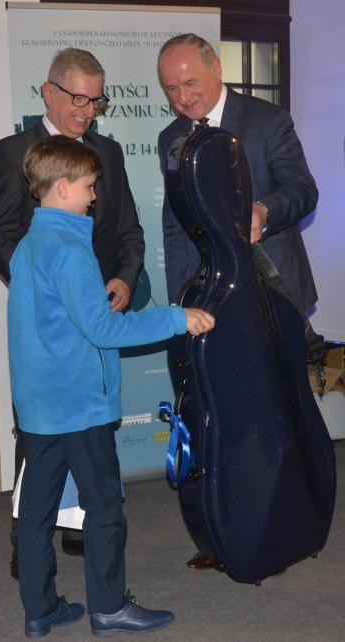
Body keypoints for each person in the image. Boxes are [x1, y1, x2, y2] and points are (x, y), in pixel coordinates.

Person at [9, 134, 215, 637]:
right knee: (103, 507)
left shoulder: (28, 245)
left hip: (39, 406)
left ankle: (39, 610)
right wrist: (176, 318)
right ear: (62, 188)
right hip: (80, 404)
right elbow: (103, 330)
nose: (94, 196)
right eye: (88, 186)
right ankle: (108, 608)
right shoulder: (68, 250)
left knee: (36, 512)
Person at [157, 33, 319, 570]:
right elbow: (175, 228)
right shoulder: (170, 139)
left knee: (283, 417)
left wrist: (264, 212)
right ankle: (231, 529)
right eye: (171, 88)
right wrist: (182, 302)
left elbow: (304, 190)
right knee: (223, 420)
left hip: (273, 297)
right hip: (211, 307)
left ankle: (292, 527)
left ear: (216, 70)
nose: (183, 97)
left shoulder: (267, 121)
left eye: (191, 83)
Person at [0, 47, 145, 576]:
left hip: (97, 319)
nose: (87, 110)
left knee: (92, 427)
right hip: (48, 325)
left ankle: (81, 528)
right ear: (48, 92)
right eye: (78, 98)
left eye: (96, 100)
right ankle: (26, 541)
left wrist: (124, 277)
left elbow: (128, 231)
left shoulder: (108, 153)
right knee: (40, 433)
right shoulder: (12, 152)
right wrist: (46, 288)